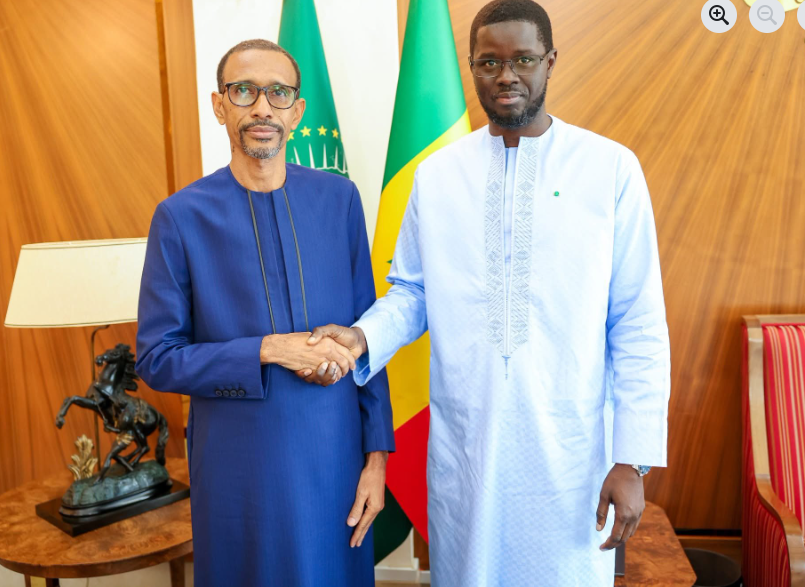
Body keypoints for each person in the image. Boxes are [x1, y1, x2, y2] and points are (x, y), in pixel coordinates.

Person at [305, 1, 671, 585]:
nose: (506, 75)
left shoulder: (609, 169)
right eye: (489, 62)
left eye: (523, 59)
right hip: (469, 446)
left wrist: (633, 460)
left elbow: (638, 322)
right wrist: (360, 336)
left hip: (570, 451)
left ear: (550, 62)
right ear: (472, 68)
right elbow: (413, 292)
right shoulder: (437, 175)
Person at [135, 39, 394, 587]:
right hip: (239, 471)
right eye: (243, 91)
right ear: (219, 105)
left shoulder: (340, 200)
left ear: (296, 111)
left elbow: (367, 332)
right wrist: (269, 349)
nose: (261, 107)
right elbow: (157, 359)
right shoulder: (180, 217)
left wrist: (377, 459)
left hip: (335, 461)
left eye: (278, 93)